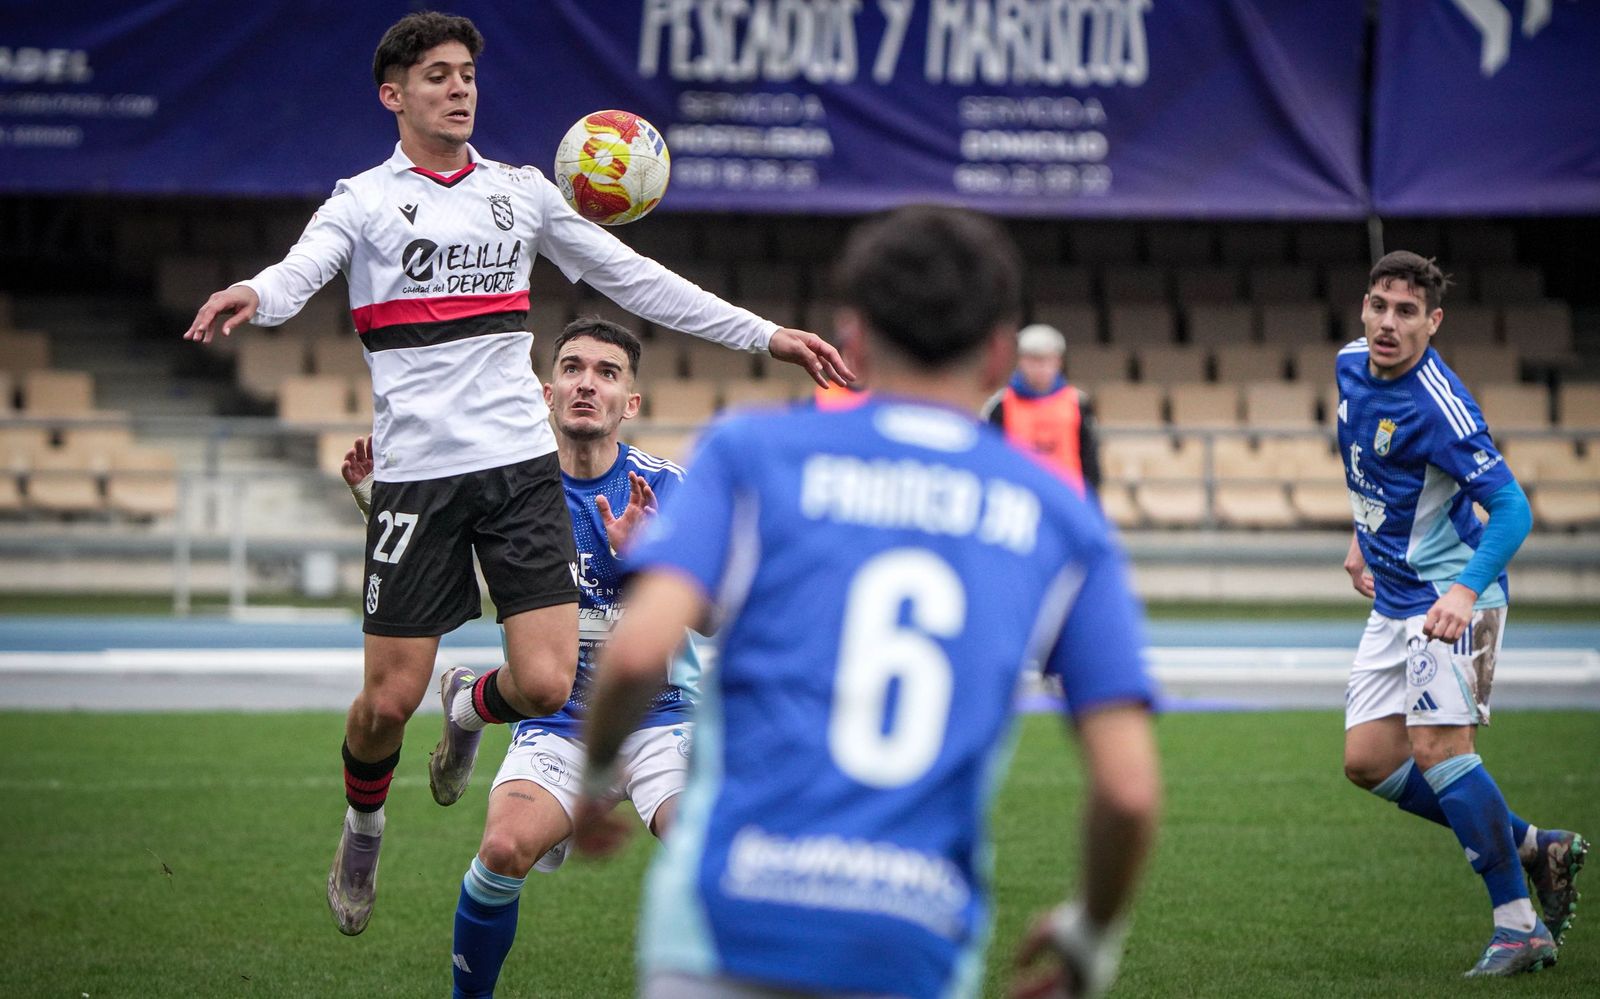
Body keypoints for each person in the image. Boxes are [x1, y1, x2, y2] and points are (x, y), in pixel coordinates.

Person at [181, 11, 850, 936]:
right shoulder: (363, 200)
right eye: (439, 76)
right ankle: (363, 825)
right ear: (394, 95)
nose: (460, 89)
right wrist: (258, 294)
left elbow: (638, 278)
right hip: (418, 479)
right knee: (383, 702)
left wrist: (766, 334)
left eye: (468, 76)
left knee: (541, 686)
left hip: (518, 468)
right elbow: (305, 269)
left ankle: (471, 703)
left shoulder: (522, 193)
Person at [573, 205, 1162, 999]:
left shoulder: (749, 451)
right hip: (907, 939)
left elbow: (639, 652)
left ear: (851, 341)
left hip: (724, 917)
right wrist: (1092, 933)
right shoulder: (1061, 519)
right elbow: (1128, 790)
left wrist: (594, 778)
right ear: (998, 354)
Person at [342, 317, 698, 995]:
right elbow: (442, 566)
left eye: (606, 372)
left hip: (660, 714)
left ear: (632, 402)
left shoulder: (669, 487)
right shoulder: (510, 492)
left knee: (703, 852)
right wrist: (375, 506)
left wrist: (648, 562)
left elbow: (712, 612)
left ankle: (467, 703)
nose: (586, 382)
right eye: (572, 367)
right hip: (557, 714)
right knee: (501, 850)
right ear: (545, 391)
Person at [1336, 251, 1585, 978]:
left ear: (1433, 322)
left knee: (1442, 750)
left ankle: (1518, 925)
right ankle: (1536, 844)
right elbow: (1364, 461)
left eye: (1406, 311)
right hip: (1395, 595)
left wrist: (1465, 592)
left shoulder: (1440, 404)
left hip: (1453, 597)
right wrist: (1361, 533)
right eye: (1380, 304)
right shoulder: (1350, 364)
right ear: (1364, 306)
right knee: (1369, 761)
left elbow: (1512, 508)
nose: (1388, 322)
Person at [980, 323, 1101, 498]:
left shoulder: (1078, 403)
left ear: (1058, 362)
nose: (1040, 367)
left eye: (1046, 360)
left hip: (1067, 497)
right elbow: (991, 457)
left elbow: (1089, 458)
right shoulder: (1001, 405)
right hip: (1018, 498)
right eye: (1033, 360)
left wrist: (1090, 499)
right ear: (1020, 361)